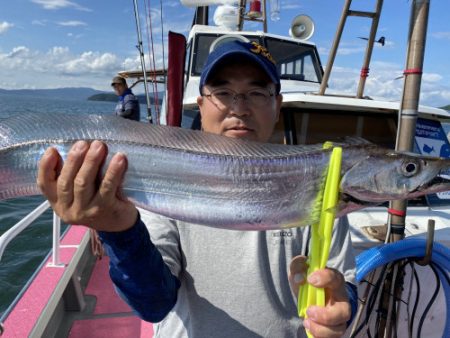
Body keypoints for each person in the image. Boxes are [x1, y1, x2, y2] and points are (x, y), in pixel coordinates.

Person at [37, 41, 357, 338]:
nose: (240, 108)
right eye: (223, 92)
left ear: (277, 105)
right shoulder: (164, 181)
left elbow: (345, 282)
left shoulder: (319, 186)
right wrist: (118, 231)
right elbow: (154, 303)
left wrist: (341, 309)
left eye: (257, 93)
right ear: (201, 105)